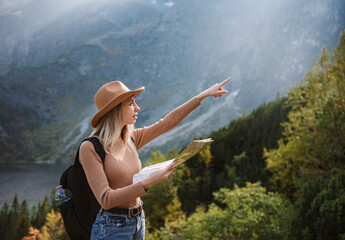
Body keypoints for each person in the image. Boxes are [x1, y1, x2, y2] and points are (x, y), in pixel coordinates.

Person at [80, 77, 231, 240]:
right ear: (115, 110)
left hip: (138, 220)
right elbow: (106, 199)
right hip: (111, 227)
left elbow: (168, 122)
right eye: (131, 103)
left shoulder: (130, 138)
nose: (137, 108)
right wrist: (147, 182)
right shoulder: (90, 148)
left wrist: (203, 95)